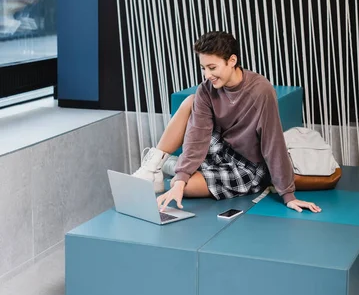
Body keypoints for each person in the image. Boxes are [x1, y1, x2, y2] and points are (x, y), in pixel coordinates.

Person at [133, 31, 321, 214]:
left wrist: (288, 195)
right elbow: (197, 137)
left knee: (185, 187)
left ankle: (172, 165)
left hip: (247, 166)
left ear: (232, 61)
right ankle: (154, 168)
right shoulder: (206, 90)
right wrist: (181, 178)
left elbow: (273, 143)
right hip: (221, 149)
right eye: (203, 68)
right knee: (190, 102)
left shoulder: (261, 91)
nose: (207, 75)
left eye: (212, 68)